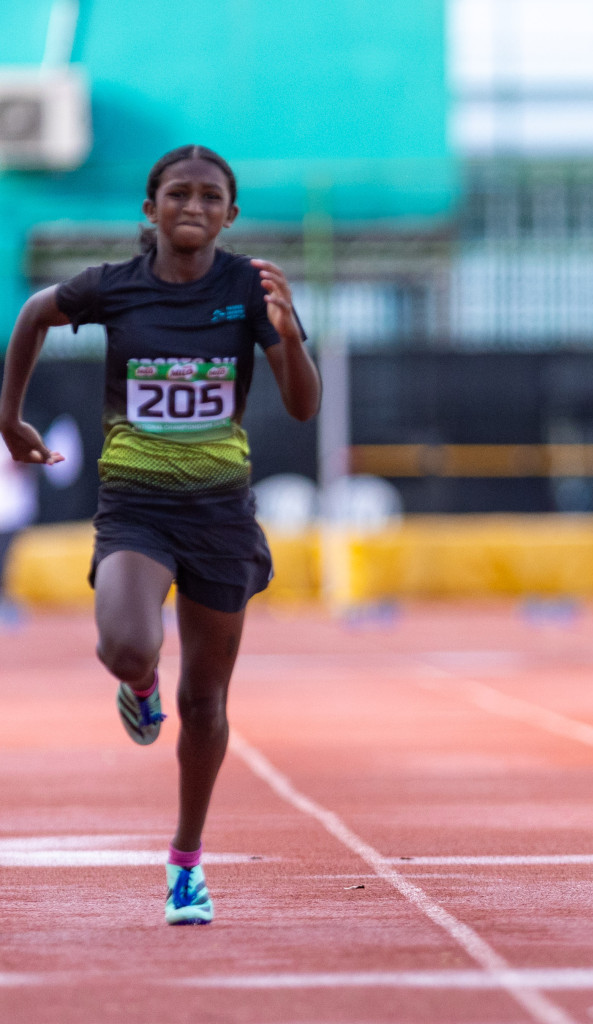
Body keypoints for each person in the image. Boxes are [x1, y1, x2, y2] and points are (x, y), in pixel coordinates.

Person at [0, 145, 321, 922]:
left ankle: (186, 864)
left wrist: (289, 334)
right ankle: (138, 687)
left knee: (206, 700)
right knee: (126, 646)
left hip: (220, 516)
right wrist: (9, 418)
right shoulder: (115, 287)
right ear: (151, 209)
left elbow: (304, 406)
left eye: (211, 197)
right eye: (178, 194)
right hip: (136, 507)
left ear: (229, 214)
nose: (194, 206)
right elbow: (35, 312)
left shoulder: (251, 288)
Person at [0, 456, 37, 622]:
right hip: (6, 509)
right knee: (4, 559)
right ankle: (5, 601)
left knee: (11, 559)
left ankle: (7, 599)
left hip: (13, 510)